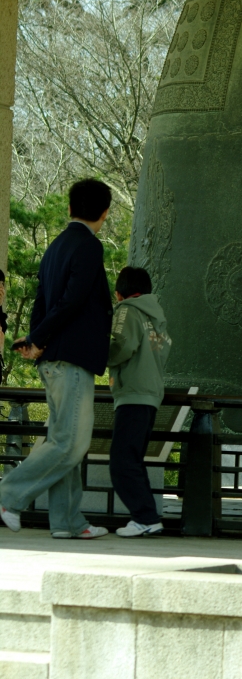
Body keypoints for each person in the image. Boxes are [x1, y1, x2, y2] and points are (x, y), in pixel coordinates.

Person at [0, 179, 113, 538]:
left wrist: (37, 340)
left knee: (63, 439)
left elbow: (43, 301)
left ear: (69, 208)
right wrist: (38, 337)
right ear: (105, 213)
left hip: (53, 358)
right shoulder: (89, 247)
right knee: (70, 443)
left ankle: (67, 522)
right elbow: (74, 300)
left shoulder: (55, 247)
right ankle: (7, 496)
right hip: (72, 358)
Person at [108, 266, 171, 538]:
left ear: (119, 293)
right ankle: (147, 516)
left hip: (132, 393)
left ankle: (145, 517)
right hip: (150, 393)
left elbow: (121, 345)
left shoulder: (126, 310)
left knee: (121, 461)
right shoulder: (156, 316)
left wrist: (96, 357)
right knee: (133, 459)